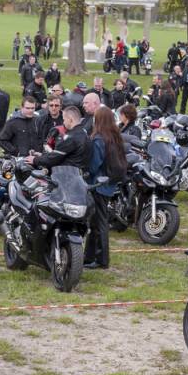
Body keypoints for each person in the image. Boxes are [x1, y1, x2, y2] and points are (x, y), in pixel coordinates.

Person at [85, 106, 125, 269]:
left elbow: (94, 165)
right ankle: (89, 256)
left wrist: (84, 171)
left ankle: (101, 259)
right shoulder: (115, 137)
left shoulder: (99, 139)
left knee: (99, 223)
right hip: (109, 183)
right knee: (96, 222)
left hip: (98, 184)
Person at [26, 106, 90, 170]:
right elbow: (62, 155)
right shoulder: (84, 134)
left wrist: (35, 160)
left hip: (67, 173)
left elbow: (53, 159)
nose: (63, 123)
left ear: (70, 120)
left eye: (64, 120)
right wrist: (42, 156)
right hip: (79, 172)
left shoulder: (70, 137)